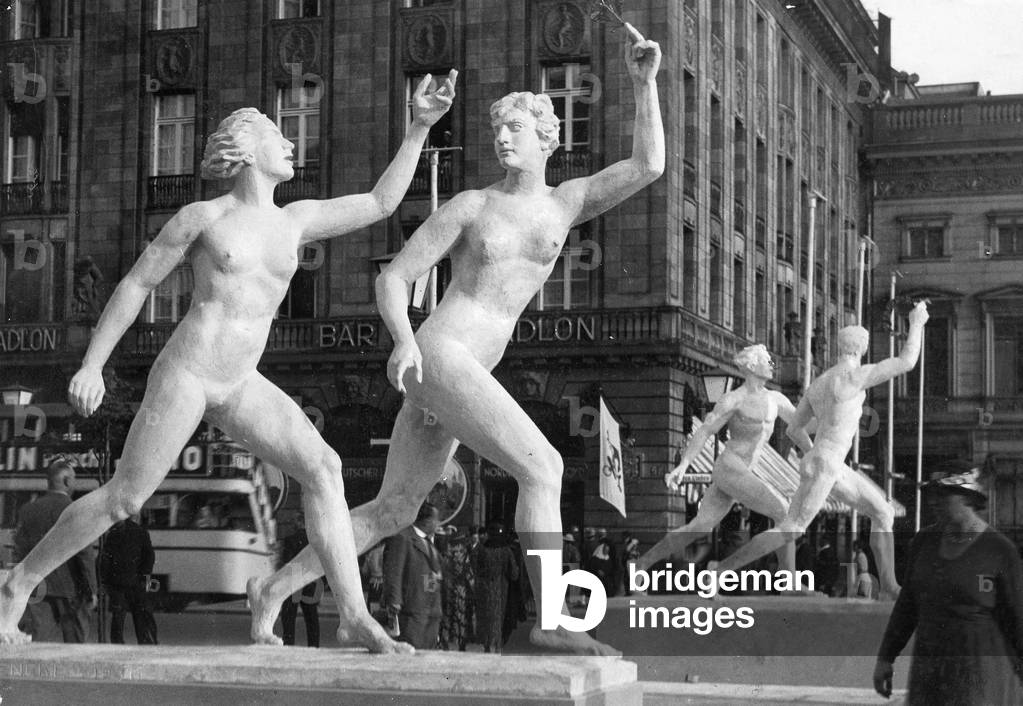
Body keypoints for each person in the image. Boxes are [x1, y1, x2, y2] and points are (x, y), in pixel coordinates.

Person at [0, 71, 457, 648]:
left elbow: (379, 202)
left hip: (241, 380)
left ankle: (353, 615)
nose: (291, 144)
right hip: (189, 370)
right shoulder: (204, 218)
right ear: (246, 151)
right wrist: (93, 363)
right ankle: (17, 584)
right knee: (126, 497)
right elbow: (138, 284)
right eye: (278, 135)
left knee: (325, 467)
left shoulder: (297, 219)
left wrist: (418, 127)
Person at [251, 26, 662, 656]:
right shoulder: (471, 206)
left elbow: (647, 166)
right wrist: (404, 341)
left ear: (546, 137)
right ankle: (551, 619)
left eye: (514, 129)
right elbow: (394, 277)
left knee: (392, 511)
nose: (501, 138)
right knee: (544, 468)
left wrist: (643, 83)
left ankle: (274, 589)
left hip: (456, 370)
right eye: (497, 130)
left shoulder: (567, 202)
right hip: (441, 355)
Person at [714, 302, 929, 599]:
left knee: (883, 512)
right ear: (861, 349)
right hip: (827, 463)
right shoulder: (856, 376)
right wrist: (917, 323)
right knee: (792, 528)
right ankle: (719, 572)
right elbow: (907, 361)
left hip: (828, 463)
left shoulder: (819, 383)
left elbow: (793, 429)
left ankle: (890, 586)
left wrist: (815, 455)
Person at [637, 344, 800, 575]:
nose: (772, 364)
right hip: (731, 468)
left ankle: (641, 564)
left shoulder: (776, 399)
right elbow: (705, 431)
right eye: (767, 360)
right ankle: (789, 581)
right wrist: (684, 464)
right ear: (752, 366)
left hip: (743, 471)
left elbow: (802, 423)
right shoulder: (734, 399)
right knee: (784, 512)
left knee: (700, 526)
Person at [873, 461, 1023, 705]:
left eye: (942, 494)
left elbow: (1018, 620)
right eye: (931, 494)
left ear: (967, 497)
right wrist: (885, 658)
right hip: (929, 676)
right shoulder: (924, 542)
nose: (933, 501)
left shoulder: (999, 551)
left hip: (978, 680)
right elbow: (907, 606)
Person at [14, 459, 97, 643]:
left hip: (37, 587)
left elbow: (19, 550)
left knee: (39, 641)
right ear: (67, 481)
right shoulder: (76, 510)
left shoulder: (28, 510)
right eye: (73, 479)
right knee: (74, 643)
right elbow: (85, 554)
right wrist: (92, 588)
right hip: (71, 588)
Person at [383, 502, 444, 650]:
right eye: (436, 519)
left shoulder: (430, 541)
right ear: (427, 520)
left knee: (429, 651)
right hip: (412, 608)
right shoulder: (403, 538)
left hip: (432, 607)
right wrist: (394, 601)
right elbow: (393, 570)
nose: (438, 523)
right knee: (412, 650)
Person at [98, 513, 158, 644]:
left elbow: (105, 560)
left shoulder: (113, 534)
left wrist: (105, 581)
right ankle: (144, 642)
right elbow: (149, 557)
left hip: (117, 583)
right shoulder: (142, 532)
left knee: (118, 616)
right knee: (140, 616)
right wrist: (145, 577)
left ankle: (118, 644)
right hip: (137, 583)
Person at [473, 522, 519, 654]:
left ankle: (487, 646)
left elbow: (473, 566)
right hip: (501, 590)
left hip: (483, 589)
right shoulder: (506, 551)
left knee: (485, 617)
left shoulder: (480, 549)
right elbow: (514, 574)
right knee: (499, 618)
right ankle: (498, 646)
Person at [279, 512, 321, 647]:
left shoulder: (290, 539)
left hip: (294, 579)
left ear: (297, 523)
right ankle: (314, 645)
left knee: (289, 616)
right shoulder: (313, 541)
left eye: (293, 522)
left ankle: (289, 644)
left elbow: (287, 561)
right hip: (310, 579)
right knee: (311, 616)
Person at [438, 526, 475, 651]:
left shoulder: (448, 553)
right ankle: (461, 643)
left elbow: (443, 570)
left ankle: (445, 640)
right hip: (461, 589)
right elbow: (469, 574)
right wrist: (473, 588)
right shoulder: (464, 555)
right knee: (460, 616)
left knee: (448, 615)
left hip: (448, 587)